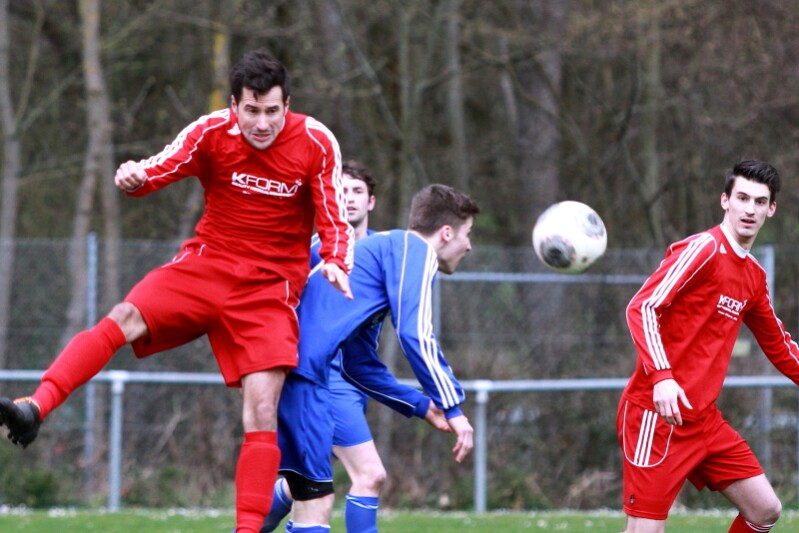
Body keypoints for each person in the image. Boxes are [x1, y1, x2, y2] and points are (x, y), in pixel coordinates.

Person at [0, 50, 354, 533]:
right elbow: (159, 168)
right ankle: (34, 407)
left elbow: (334, 215)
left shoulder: (316, 141)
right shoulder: (210, 131)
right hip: (207, 264)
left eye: (272, 111)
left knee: (261, 408)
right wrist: (135, 178)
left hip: (269, 287)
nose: (262, 123)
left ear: (287, 105)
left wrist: (335, 260)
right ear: (234, 106)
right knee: (123, 317)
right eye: (251, 110)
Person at [276, 184, 478, 533]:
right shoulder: (414, 250)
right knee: (315, 502)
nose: (469, 245)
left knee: (309, 496)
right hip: (298, 372)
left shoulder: (379, 260)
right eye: (468, 233)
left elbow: (356, 365)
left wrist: (420, 404)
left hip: (292, 370)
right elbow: (415, 334)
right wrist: (453, 407)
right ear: (446, 233)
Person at [618, 160, 799, 533]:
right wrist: (662, 377)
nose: (750, 209)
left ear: (771, 209)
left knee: (764, 510)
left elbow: (780, 346)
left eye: (759, 202)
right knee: (645, 531)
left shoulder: (753, 276)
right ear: (725, 201)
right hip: (657, 417)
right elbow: (643, 306)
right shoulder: (702, 249)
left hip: (704, 421)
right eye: (742, 198)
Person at [261, 159, 386, 532]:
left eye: (357, 191)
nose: (349, 198)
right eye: (341, 190)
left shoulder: (384, 253)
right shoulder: (311, 250)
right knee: (369, 475)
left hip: (355, 381)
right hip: (321, 379)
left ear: (371, 202)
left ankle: (250, 525)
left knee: (304, 482)